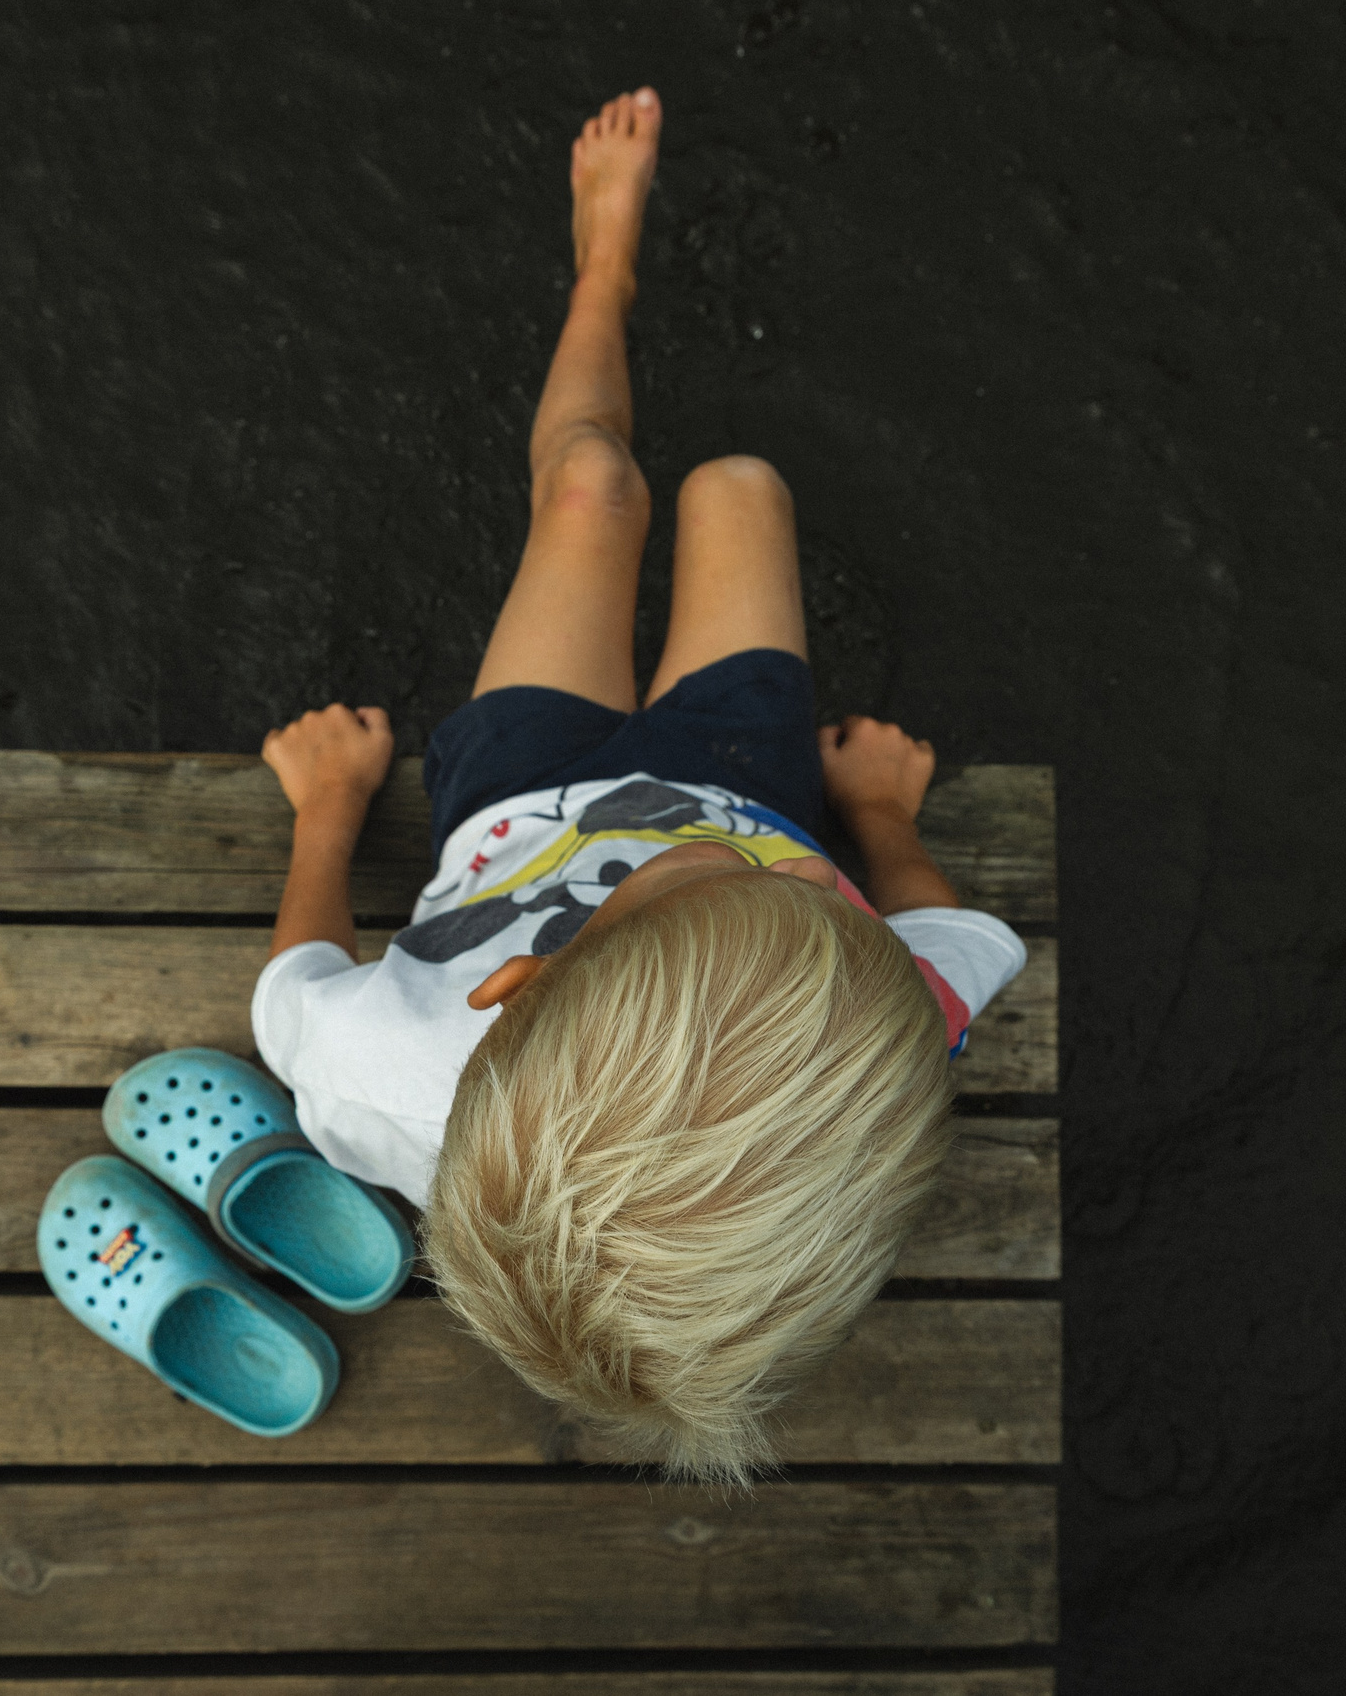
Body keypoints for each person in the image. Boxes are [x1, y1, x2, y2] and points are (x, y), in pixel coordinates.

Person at [250, 86, 1027, 1483]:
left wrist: (328, 815)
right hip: (746, 777)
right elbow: (963, 939)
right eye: (813, 911)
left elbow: (293, 992)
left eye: (713, 894)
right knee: (740, 488)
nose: (761, 871)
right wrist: (883, 825)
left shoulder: (382, 1074)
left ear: (513, 985)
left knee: (593, 487)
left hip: (512, 802)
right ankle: (613, 285)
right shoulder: (866, 1030)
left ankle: (600, 267)